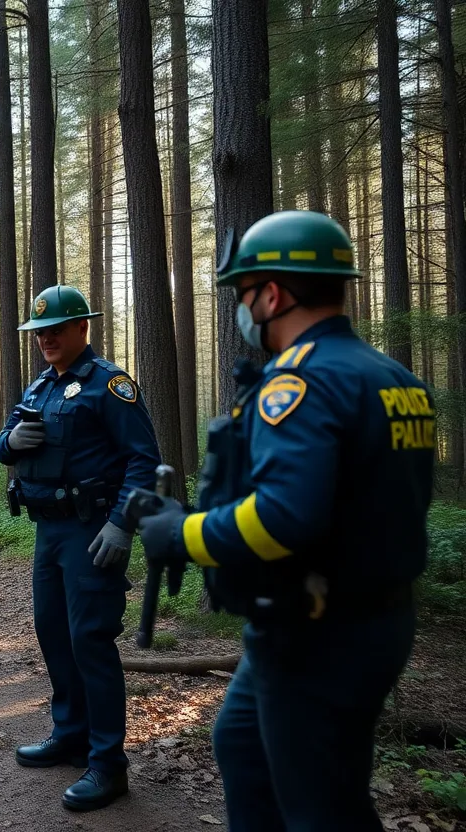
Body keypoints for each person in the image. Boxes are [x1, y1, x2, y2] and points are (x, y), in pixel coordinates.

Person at [136, 211, 434, 831]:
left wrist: (182, 534)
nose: (242, 311)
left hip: (320, 631)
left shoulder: (303, 381)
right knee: (242, 744)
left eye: (244, 294)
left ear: (273, 294)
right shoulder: (391, 377)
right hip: (362, 615)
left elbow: (283, 518)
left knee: (323, 809)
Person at [0, 284, 162, 812]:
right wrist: (9, 445)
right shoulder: (41, 385)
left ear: (81, 328)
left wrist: (121, 525)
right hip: (48, 531)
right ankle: (71, 735)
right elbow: (4, 443)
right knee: (54, 634)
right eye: (39, 332)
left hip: (92, 532)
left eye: (56, 330)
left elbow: (144, 460)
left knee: (90, 640)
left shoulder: (109, 386)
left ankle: (108, 764)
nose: (46, 339)